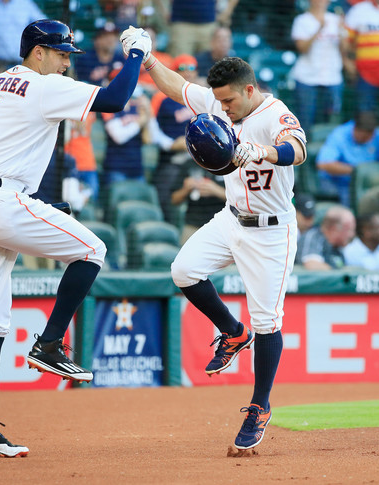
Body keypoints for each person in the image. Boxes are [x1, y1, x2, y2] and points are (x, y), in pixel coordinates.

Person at [0, 19, 151, 457]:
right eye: (62, 54)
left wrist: (36, 204)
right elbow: (117, 99)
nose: (67, 63)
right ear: (37, 53)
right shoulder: (42, 85)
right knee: (93, 249)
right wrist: (136, 54)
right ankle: (49, 343)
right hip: (2, 203)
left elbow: (8, 145)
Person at [131, 42, 306, 449]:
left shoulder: (273, 112)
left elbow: (297, 149)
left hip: (270, 231)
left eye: (228, 99)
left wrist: (260, 151)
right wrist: (149, 57)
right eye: (218, 99)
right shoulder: (220, 101)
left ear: (248, 90)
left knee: (267, 321)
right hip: (231, 218)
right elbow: (177, 88)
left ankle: (260, 406)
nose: (221, 107)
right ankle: (231, 331)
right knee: (183, 270)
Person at [152, 54, 199, 222]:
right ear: (174, 72)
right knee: (167, 207)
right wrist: (171, 144)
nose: (187, 72)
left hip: (196, 163)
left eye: (191, 68)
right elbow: (152, 128)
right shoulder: (162, 97)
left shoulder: (200, 97)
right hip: (171, 162)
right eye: (182, 68)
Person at [290, 0, 345, 135]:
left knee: (332, 118)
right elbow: (302, 48)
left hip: (332, 77)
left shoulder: (336, 19)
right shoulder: (302, 20)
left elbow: (345, 49)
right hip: (307, 77)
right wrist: (318, 30)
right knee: (305, 121)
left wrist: (342, 32)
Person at [316, 111, 379, 206]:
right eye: (364, 135)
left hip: (368, 183)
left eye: (370, 135)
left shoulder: (377, 135)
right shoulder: (340, 134)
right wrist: (356, 171)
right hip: (340, 182)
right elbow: (323, 164)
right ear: (356, 129)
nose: (367, 138)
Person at [101, 83, 151, 186]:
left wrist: (148, 112)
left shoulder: (138, 109)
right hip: (116, 168)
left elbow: (148, 139)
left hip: (136, 168)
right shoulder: (111, 108)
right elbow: (118, 137)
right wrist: (139, 122)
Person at [170, 162, 226, 244]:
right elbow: (174, 200)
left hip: (220, 228)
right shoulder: (189, 164)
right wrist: (186, 189)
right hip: (192, 226)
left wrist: (215, 190)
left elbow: (241, 199)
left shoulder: (227, 165)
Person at [295, 204, 356, 270]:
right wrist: (339, 274)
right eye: (349, 230)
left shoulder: (339, 247)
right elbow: (312, 265)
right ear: (334, 229)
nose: (352, 234)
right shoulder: (313, 237)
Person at [73, 22, 124, 86]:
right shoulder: (85, 59)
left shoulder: (120, 58)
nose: (111, 40)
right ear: (96, 39)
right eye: (106, 36)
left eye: (114, 36)